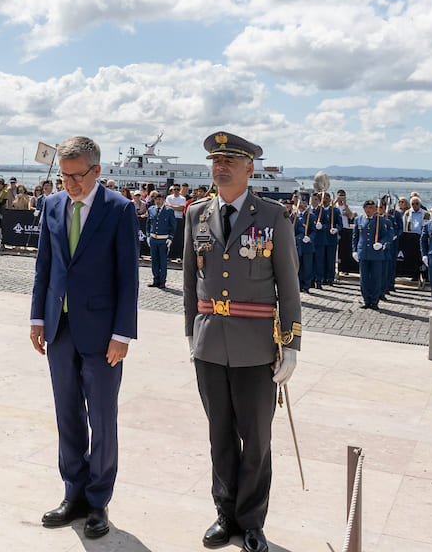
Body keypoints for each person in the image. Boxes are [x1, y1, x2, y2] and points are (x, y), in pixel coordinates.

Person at [184, 131, 300, 552]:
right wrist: (190, 335)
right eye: (216, 160)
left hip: (256, 348)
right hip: (210, 344)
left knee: (257, 439)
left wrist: (291, 345)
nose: (221, 166)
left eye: (231, 160)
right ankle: (224, 513)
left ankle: (252, 521)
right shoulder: (196, 214)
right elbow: (188, 284)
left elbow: (288, 287)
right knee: (219, 435)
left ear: (250, 168)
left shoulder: (273, 217)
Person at [30, 136, 139, 540]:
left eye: (77, 176)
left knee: (102, 418)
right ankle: (72, 492)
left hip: (102, 333)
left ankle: (98, 501)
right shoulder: (52, 205)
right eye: (63, 175)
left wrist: (122, 334)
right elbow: (45, 265)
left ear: (96, 170)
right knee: (67, 413)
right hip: (60, 329)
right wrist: (38, 318)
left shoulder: (119, 209)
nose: (70, 184)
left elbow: (129, 277)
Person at [353, 200, 392, 310]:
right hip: (363, 252)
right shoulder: (359, 219)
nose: (369, 210)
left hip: (376, 254)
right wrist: (354, 251)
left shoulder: (380, 220)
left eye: (372, 207)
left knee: (376, 278)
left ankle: (375, 300)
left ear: (375, 209)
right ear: (364, 208)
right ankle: (366, 299)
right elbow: (355, 237)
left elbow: (386, 235)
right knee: (364, 278)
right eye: (367, 207)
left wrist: (381, 243)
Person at [146, 191, 175, 288]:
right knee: (154, 261)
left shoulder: (169, 210)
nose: (158, 201)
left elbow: (173, 225)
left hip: (163, 240)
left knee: (163, 261)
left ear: (163, 200)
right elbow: (148, 223)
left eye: (160, 199)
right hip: (154, 239)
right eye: (156, 199)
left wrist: (170, 237)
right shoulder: (151, 209)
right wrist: (148, 236)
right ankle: (155, 280)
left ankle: (162, 281)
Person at [316, 192, 342, 286]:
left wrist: (336, 229)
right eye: (323, 198)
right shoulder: (318, 211)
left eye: (327, 198)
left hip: (331, 239)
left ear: (330, 199)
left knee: (330, 260)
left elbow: (340, 224)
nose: (325, 200)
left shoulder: (335, 211)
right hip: (321, 239)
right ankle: (321, 278)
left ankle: (330, 278)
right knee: (320, 260)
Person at [293, 194, 315, 293]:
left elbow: (314, 231)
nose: (302, 204)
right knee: (298, 266)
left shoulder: (311, 215)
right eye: (300, 202)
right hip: (297, 245)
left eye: (304, 202)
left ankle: (306, 286)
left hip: (307, 245)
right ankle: (298, 285)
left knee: (307, 267)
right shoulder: (294, 215)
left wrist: (309, 238)